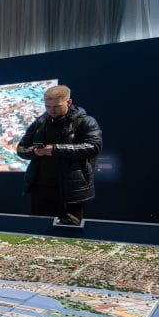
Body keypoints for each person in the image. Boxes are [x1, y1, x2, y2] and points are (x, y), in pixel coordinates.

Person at [17, 84, 102, 224]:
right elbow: (21, 149)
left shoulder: (85, 122)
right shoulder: (39, 123)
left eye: (56, 106)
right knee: (38, 231)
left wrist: (56, 150)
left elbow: (94, 147)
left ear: (69, 102)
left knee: (69, 233)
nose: (51, 110)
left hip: (70, 191)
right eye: (48, 106)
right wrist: (35, 151)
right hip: (40, 190)